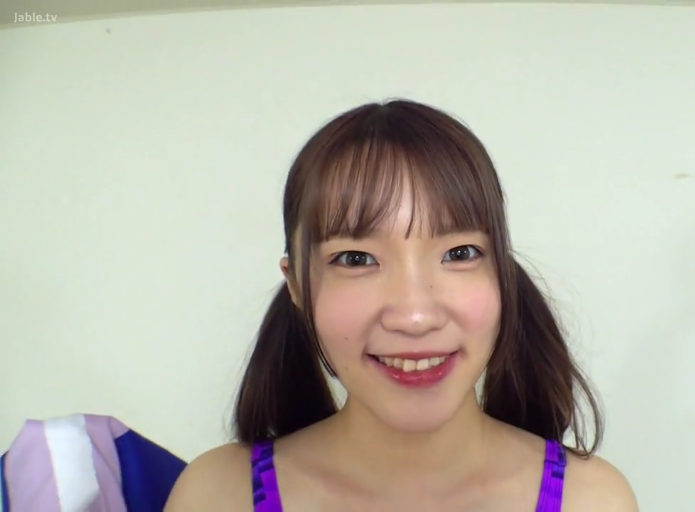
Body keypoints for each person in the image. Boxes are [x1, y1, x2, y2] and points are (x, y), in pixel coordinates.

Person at [164, 99, 638, 511]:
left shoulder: (591, 500)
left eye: (459, 253)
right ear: (297, 286)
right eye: (355, 259)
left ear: (501, 273)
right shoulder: (216, 496)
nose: (415, 316)